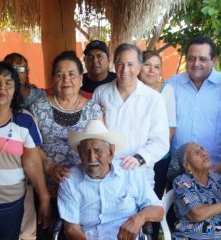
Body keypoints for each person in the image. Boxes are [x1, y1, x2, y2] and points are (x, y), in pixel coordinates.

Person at [30, 51, 102, 239]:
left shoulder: (93, 109)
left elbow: (101, 147)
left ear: (80, 79)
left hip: (84, 191)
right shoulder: (38, 107)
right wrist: (49, 166)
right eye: (60, 74)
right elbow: (30, 147)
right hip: (47, 187)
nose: (66, 79)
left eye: (71, 74)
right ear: (53, 79)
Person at [58, 120, 164, 240]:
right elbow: (71, 229)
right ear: (79, 152)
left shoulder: (130, 172)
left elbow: (158, 210)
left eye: (98, 151)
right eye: (85, 151)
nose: (92, 158)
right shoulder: (69, 180)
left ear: (111, 152)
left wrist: (140, 217)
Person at [0, 61, 51, 240]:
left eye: (8, 82)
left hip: (12, 206)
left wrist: (44, 198)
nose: (2, 87)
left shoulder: (25, 121)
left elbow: (33, 162)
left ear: (15, 89)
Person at [93, 43, 170, 186]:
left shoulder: (153, 99)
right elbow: (93, 131)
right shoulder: (100, 93)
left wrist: (139, 158)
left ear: (139, 67)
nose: (125, 70)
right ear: (114, 65)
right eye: (120, 64)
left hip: (139, 175)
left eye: (130, 64)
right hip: (105, 174)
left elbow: (160, 141)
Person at [4, 52, 46, 240]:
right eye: (11, 67)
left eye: (20, 68)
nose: (16, 71)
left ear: (27, 71)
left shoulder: (39, 96)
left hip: (37, 154)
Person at [167, 36, 221, 167]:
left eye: (202, 59)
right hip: (179, 168)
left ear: (213, 61)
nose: (196, 63)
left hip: (215, 170)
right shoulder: (172, 84)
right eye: (191, 58)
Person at [139, 50, 176, 239]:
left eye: (156, 66)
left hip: (158, 159)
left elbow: (170, 128)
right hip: (133, 158)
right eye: (147, 64)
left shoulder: (165, 90)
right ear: (139, 66)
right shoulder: (132, 88)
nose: (152, 70)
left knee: (151, 204)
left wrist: (150, 154)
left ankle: (151, 236)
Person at [167, 142, 221, 240]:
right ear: (187, 165)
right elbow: (198, 214)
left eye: (203, 149)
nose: (204, 153)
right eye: (196, 153)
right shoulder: (182, 182)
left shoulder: (217, 179)